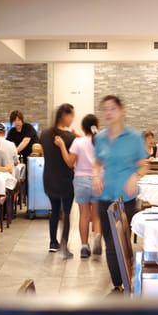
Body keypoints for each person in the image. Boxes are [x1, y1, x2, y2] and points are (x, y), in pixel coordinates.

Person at [93, 95, 148, 293]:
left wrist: (135, 175)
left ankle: (127, 279)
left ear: (121, 111)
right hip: (105, 197)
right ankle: (118, 284)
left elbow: (143, 164)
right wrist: (96, 175)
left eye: (112, 109)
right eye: (105, 109)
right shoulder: (99, 138)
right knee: (109, 242)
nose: (108, 113)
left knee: (123, 242)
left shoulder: (134, 137)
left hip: (126, 198)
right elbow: (98, 162)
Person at [55, 114, 102, 258]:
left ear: (82, 128)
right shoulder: (102, 142)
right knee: (96, 216)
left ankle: (84, 246)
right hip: (98, 179)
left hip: (81, 180)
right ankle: (97, 240)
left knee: (84, 215)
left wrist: (62, 146)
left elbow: (70, 162)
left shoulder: (78, 142)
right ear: (97, 127)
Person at [39, 103, 76, 258]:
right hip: (66, 179)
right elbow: (71, 161)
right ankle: (64, 244)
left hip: (49, 177)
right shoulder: (70, 137)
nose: (72, 119)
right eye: (71, 115)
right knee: (66, 213)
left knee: (54, 210)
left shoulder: (44, 134)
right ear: (64, 115)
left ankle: (52, 243)